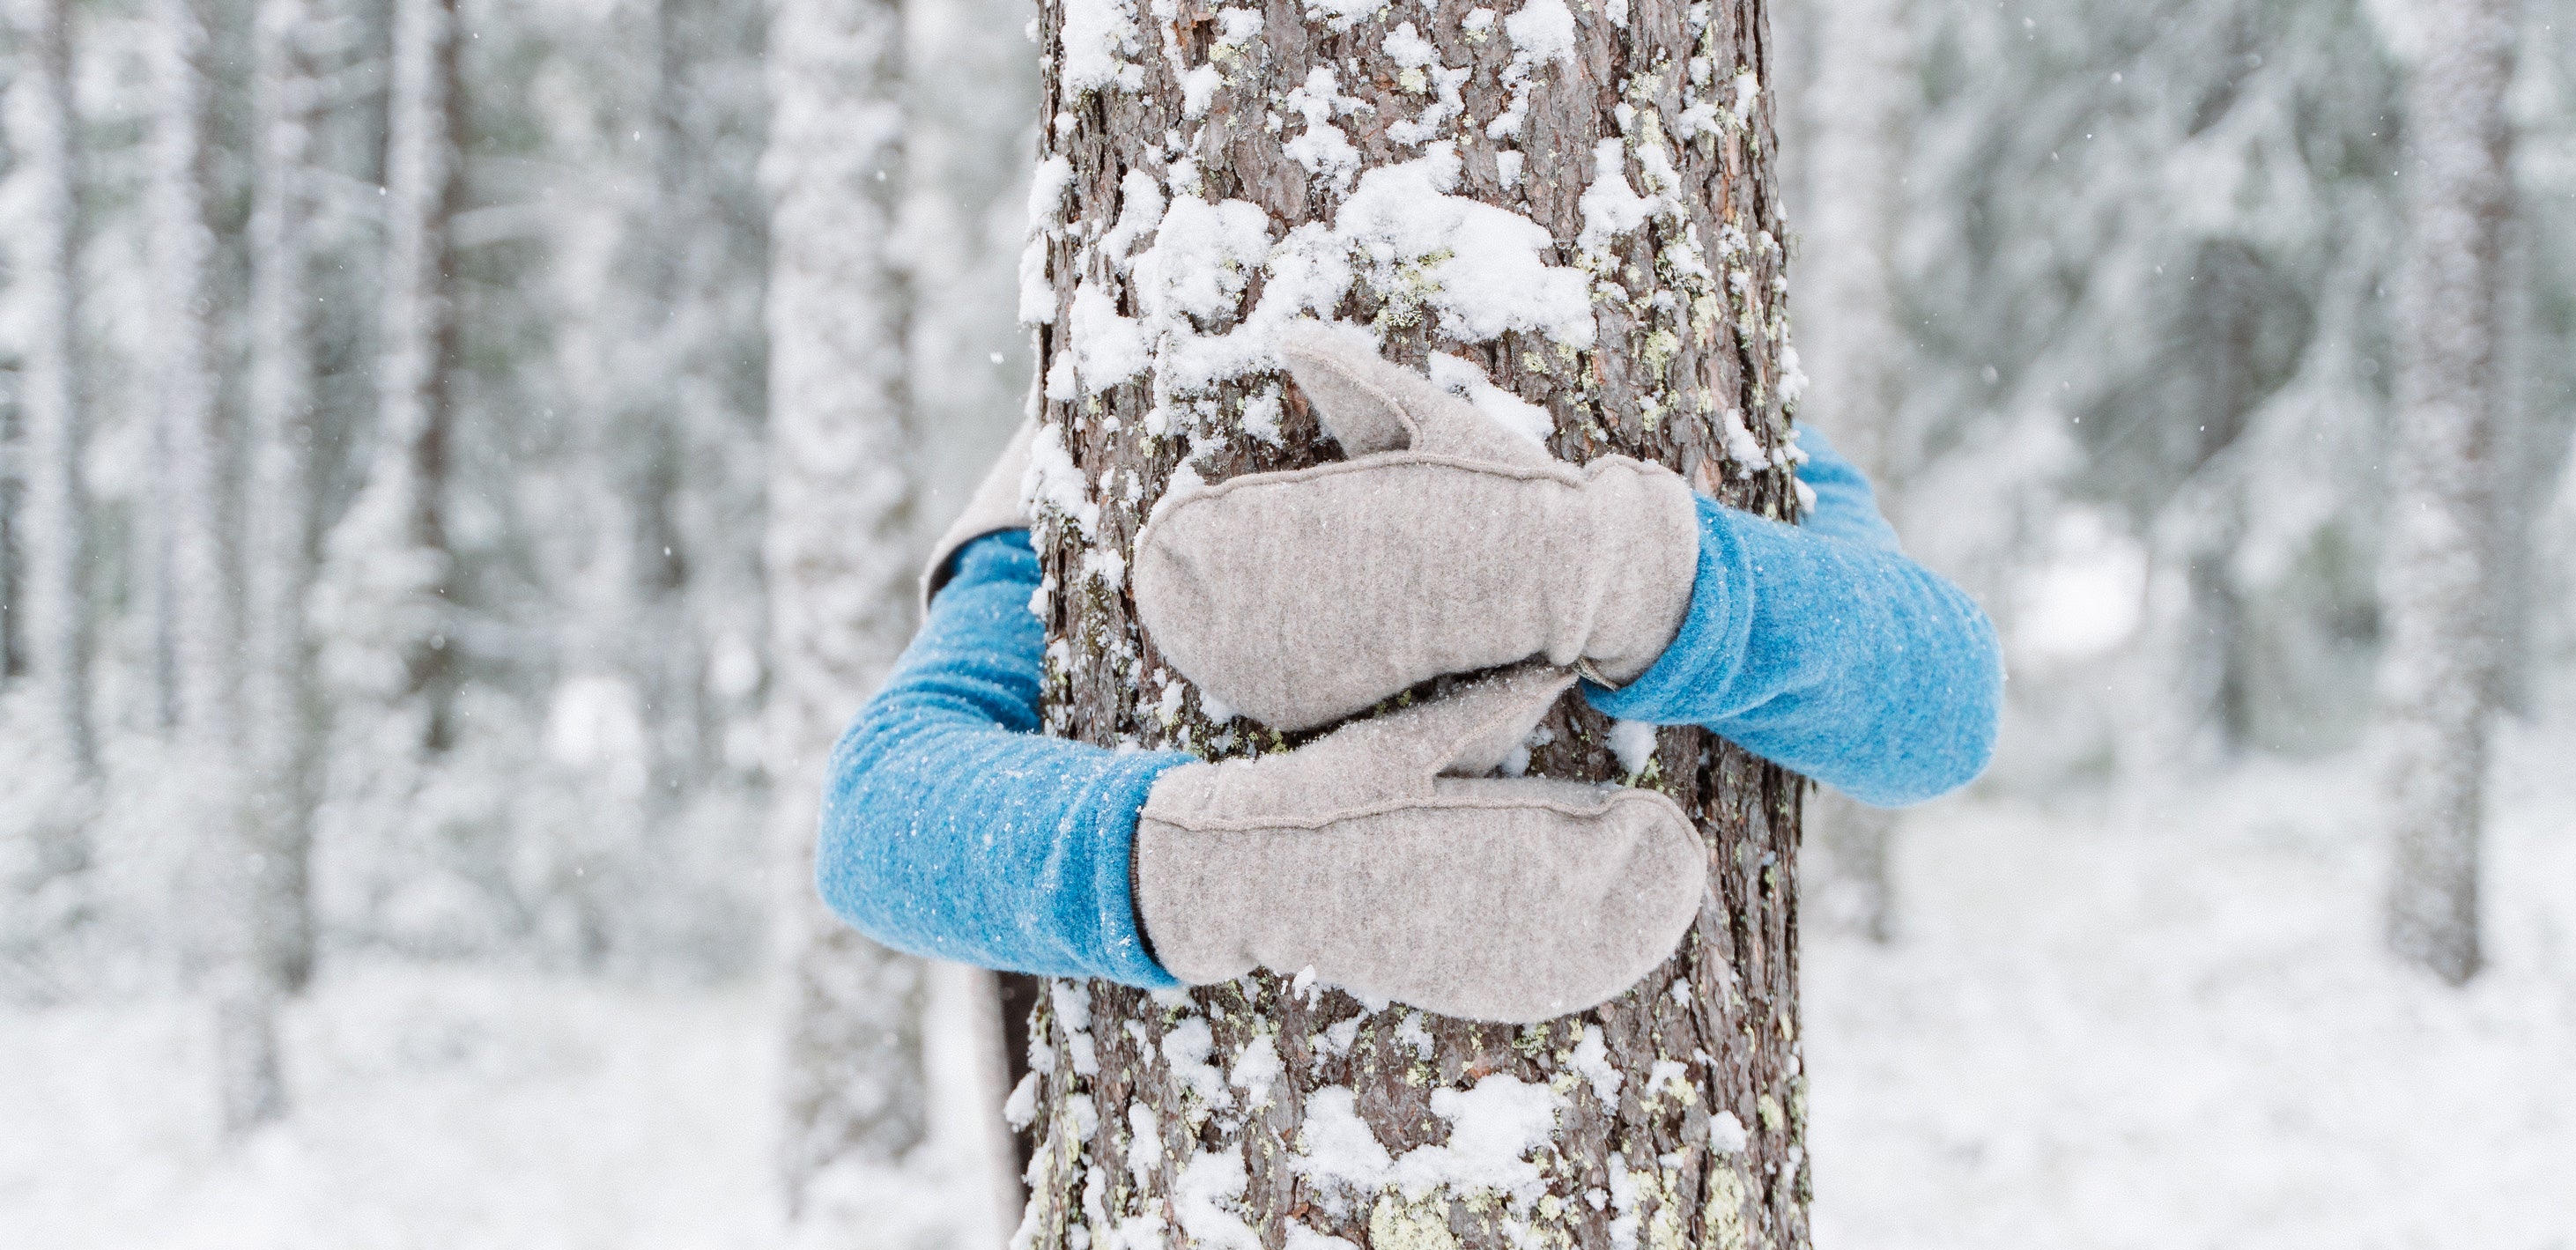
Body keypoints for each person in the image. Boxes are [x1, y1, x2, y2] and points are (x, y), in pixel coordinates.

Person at [816, 324, 2000, 1024]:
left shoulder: (1728, 402)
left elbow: (1945, 708)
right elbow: (874, 819)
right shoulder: (1073, 461)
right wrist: (1251, 863)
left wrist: (1600, 566)